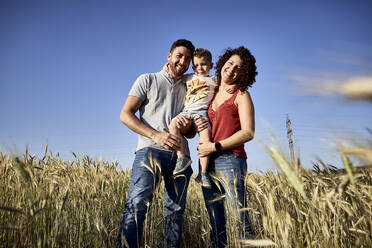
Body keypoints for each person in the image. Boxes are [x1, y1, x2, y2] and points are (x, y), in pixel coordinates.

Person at [117, 39, 205, 248]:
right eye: (179, 56)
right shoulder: (147, 79)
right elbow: (125, 115)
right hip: (149, 152)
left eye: (187, 59)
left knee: (175, 213)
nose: (182, 62)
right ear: (169, 56)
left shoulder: (189, 87)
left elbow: (191, 134)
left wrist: (189, 127)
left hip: (180, 158)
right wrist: (157, 135)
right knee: (137, 206)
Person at [197, 46, 257, 247]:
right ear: (223, 63)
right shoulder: (210, 90)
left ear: (243, 74)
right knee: (216, 223)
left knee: (239, 219)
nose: (231, 70)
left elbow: (248, 132)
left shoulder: (241, 95)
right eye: (230, 63)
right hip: (207, 162)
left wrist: (215, 146)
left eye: (238, 68)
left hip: (230, 159)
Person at [166, 48, 217, 189]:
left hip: (202, 114)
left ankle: (204, 174)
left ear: (211, 65)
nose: (200, 68)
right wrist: (165, 67)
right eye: (196, 65)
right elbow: (172, 73)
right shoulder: (189, 77)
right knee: (173, 125)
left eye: (204, 64)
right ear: (193, 67)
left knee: (206, 140)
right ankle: (183, 157)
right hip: (187, 112)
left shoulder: (214, 80)